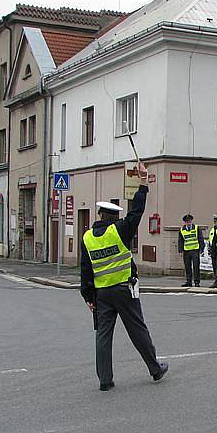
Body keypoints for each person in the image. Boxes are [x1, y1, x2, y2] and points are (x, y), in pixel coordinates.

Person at [80, 163, 167, 391]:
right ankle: (155, 369)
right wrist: (143, 184)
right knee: (137, 329)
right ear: (115, 216)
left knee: (103, 336)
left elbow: (85, 270)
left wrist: (88, 296)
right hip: (124, 290)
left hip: (102, 293)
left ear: (99, 215)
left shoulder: (87, 238)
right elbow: (137, 211)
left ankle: (105, 380)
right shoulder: (119, 230)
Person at [178, 213, 204, 287]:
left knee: (196, 266)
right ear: (185, 222)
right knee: (187, 267)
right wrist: (180, 250)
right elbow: (180, 241)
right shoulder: (182, 230)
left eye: (189, 221)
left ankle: (197, 282)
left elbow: (200, 238)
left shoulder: (196, 228)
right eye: (187, 222)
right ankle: (188, 281)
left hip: (195, 250)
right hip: (186, 251)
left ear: (191, 221)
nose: (188, 223)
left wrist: (201, 249)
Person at [208, 214, 217, 288]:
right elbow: (211, 239)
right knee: (215, 267)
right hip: (213, 250)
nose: (215, 223)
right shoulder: (212, 229)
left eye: (216, 221)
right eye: (214, 221)